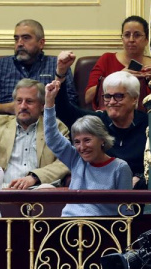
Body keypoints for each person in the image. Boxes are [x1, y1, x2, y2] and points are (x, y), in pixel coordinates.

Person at [55, 51, 148, 189]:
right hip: (102, 188)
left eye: (118, 96)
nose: (111, 102)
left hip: (139, 191)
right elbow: (65, 111)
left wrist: (139, 179)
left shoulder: (149, 123)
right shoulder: (97, 121)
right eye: (107, 96)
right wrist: (61, 73)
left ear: (134, 99)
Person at [44, 80, 132, 216]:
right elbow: (52, 138)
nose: (82, 147)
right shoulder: (76, 159)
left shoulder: (120, 168)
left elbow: (126, 210)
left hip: (102, 230)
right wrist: (49, 103)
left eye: (87, 140)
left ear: (102, 139)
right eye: (77, 142)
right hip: (68, 226)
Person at [0, 19, 78, 120]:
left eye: (26, 38)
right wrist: (9, 108)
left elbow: (71, 100)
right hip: (7, 121)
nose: (20, 43)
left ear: (41, 43)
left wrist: (40, 107)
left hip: (45, 120)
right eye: (16, 39)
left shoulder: (57, 64)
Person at [84, 15, 151, 109]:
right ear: (122, 38)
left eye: (137, 35)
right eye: (127, 35)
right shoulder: (107, 59)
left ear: (147, 39)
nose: (131, 40)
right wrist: (118, 76)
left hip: (144, 120)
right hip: (108, 118)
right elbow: (88, 97)